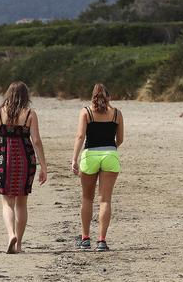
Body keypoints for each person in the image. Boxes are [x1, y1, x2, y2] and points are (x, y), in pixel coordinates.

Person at [0, 81, 48, 254]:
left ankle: (11, 234)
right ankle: (18, 244)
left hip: (4, 159)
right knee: (21, 202)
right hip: (26, 160)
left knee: (7, 202)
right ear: (26, 96)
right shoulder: (30, 114)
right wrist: (44, 167)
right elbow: (36, 141)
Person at [70, 83, 124, 252]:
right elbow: (120, 139)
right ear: (108, 97)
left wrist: (74, 159)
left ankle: (85, 239)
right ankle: (101, 241)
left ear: (93, 96)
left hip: (90, 155)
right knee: (105, 200)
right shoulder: (116, 113)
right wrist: (109, 148)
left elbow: (80, 136)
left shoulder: (86, 112)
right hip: (110, 154)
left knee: (87, 198)